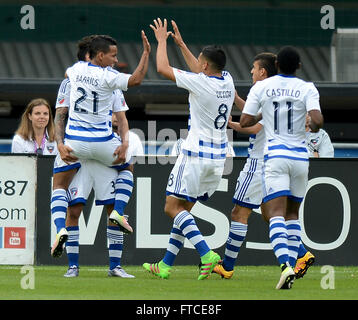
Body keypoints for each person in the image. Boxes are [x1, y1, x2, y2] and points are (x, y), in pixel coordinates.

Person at [143, 18, 235, 280]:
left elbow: (162, 68)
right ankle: (165, 265)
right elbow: (200, 68)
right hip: (218, 159)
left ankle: (206, 253)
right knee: (185, 210)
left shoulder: (200, 82)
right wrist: (182, 44)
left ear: (204, 65)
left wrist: (162, 41)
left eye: (200, 61)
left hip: (194, 155)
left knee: (171, 207)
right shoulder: (227, 80)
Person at [214, 53, 315, 281]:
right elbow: (256, 115)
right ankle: (301, 253)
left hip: (260, 163)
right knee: (271, 215)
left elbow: (255, 126)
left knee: (239, 213)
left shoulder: (265, 91)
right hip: (283, 161)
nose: (250, 71)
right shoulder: (278, 94)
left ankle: (227, 266)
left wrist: (233, 125)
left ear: (263, 72)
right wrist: (237, 99)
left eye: (253, 67)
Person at [50, 33, 150, 258]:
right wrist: (146, 53)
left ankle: (59, 230)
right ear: (100, 55)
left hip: (74, 143)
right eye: (113, 56)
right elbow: (135, 80)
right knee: (127, 166)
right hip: (103, 142)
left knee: (59, 187)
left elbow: (59, 114)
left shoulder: (73, 72)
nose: (116, 60)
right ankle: (119, 213)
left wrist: (59, 143)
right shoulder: (111, 78)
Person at [240, 46, 323, 289]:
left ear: (276, 66)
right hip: (300, 157)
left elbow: (245, 121)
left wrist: (262, 115)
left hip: (275, 156)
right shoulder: (307, 87)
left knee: (275, 213)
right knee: (292, 215)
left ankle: (285, 266)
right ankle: (293, 268)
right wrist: (311, 124)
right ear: (298, 66)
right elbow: (317, 121)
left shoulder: (262, 87)